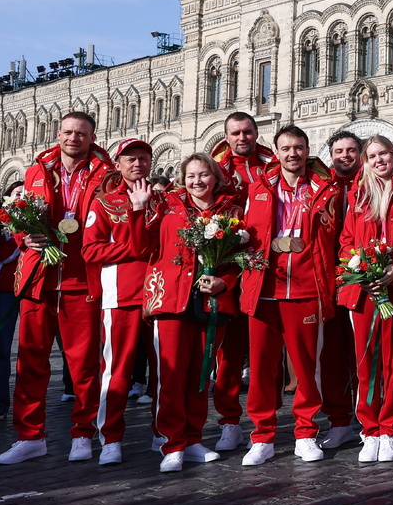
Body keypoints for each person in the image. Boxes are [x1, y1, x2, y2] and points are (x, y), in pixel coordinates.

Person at [0, 112, 113, 465]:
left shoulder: (107, 175)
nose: (73, 138)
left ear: (92, 137)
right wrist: (24, 236)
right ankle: (30, 436)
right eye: (67, 131)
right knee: (31, 361)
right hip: (40, 279)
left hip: (82, 280)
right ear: (57, 133)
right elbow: (20, 215)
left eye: (81, 133)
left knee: (82, 366)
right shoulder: (36, 171)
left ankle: (82, 433)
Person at [239, 125, 342, 466]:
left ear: (307, 149)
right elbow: (250, 234)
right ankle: (262, 436)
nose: (292, 154)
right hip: (265, 290)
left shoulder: (326, 189)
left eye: (298, 147)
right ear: (277, 151)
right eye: (286, 148)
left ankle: (305, 432)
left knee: (306, 367)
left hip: (306, 288)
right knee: (262, 369)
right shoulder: (259, 187)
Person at [143, 154, 242, 472]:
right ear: (182, 179)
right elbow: (144, 243)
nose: (197, 181)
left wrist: (223, 283)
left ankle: (194, 439)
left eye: (204, 175)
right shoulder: (165, 208)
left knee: (200, 376)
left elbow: (241, 259)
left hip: (211, 304)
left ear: (216, 178)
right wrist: (138, 208)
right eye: (190, 176)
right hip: (170, 300)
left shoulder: (231, 213)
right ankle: (172, 443)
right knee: (171, 376)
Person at [339, 135, 393, 462]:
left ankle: (388, 429)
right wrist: (363, 272)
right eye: (372, 156)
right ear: (366, 161)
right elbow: (348, 239)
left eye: (384, 154)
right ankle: (368, 429)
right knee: (366, 360)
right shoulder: (358, 195)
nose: (379, 160)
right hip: (364, 290)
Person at [79, 139, 156, 465]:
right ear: (119, 164)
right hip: (120, 296)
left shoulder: (165, 200)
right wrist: (131, 250)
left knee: (165, 373)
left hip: (161, 295)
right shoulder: (104, 203)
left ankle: (166, 436)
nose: (137, 164)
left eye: (143, 158)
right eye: (130, 159)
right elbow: (90, 250)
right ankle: (111, 437)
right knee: (117, 371)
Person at [209, 112, 276, 453]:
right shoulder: (216, 169)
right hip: (229, 272)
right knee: (229, 355)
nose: (242, 137)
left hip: (268, 270)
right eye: (235, 132)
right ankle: (229, 422)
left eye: (247, 131)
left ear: (256, 132)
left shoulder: (272, 164)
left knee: (266, 354)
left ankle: (267, 424)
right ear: (227, 135)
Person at [317, 129, 363, 452]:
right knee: (332, 356)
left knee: (364, 353)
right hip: (330, 281)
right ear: (331, 155)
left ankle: (368, 419)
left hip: (364, 279)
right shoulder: (323, 188)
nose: (344, 156)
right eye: (339, 151)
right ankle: (339, 421)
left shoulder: (372, 183)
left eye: (350, 151)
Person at [0, 182, 21, 422]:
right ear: (8, 197)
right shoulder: (0, 221)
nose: (23, 197)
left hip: (34, 290)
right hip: (5, 292)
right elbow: (3, 255)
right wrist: (23, 234)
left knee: (34, 351)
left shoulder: (42, 219)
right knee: (1, 350)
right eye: (18, 193)